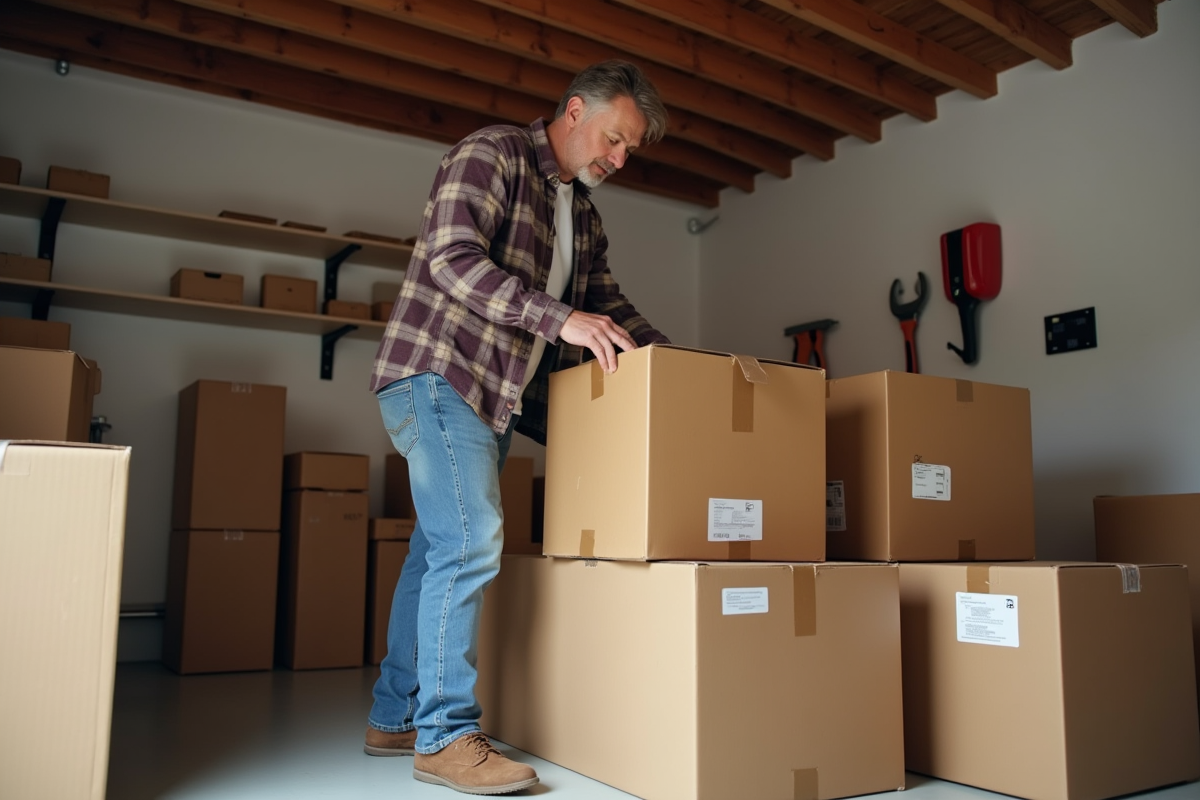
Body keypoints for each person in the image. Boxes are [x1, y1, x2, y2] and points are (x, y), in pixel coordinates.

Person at [363, 61, 671, 795]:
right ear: (574, 112)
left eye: (631, 150)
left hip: (493, 394)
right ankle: (444, 737)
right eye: (615, 139)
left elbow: (605, 302)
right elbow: (452, 258)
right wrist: (557, 316)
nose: (619, 159)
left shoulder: (582, 213)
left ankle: (394, 716)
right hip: (439, 374)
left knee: (437, 550)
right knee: (470, 543)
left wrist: (676, 364)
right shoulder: (493, 154)